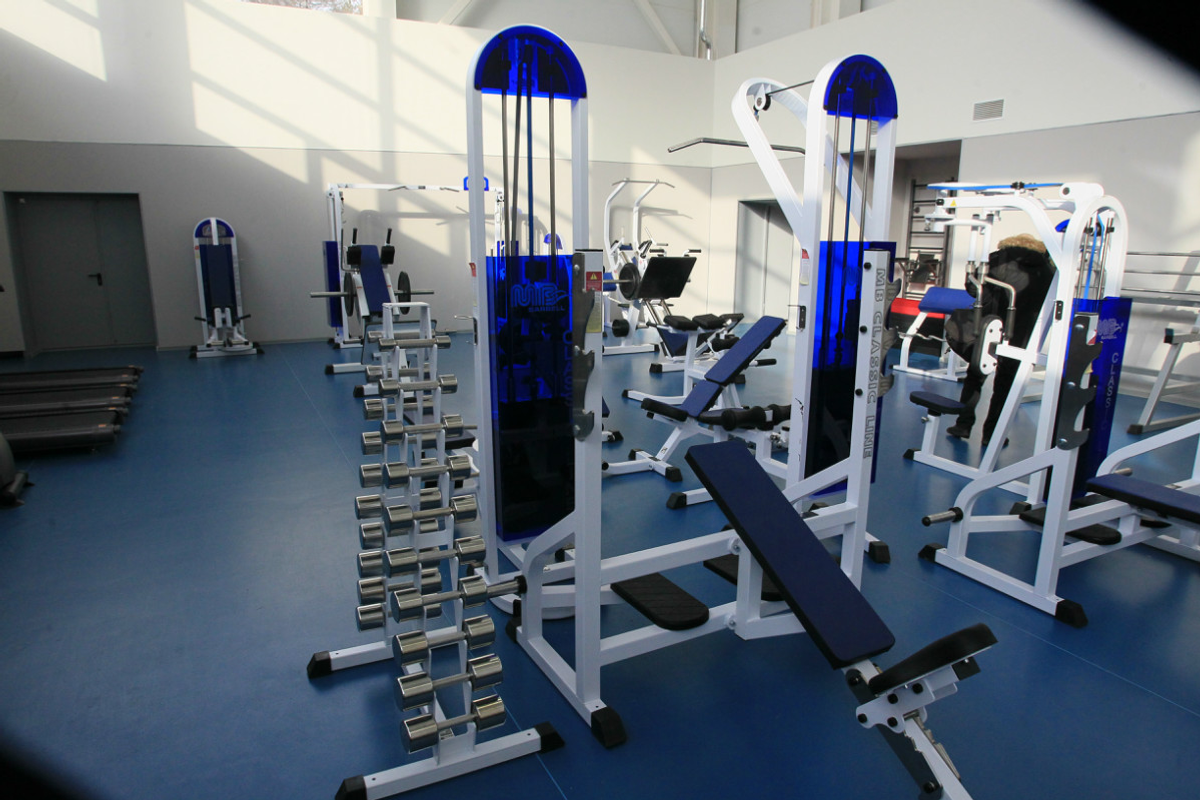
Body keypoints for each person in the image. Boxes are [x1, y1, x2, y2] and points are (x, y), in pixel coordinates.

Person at [944, 233, 1056, 446]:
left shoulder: (998, 260)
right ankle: (992, 434)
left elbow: (975, 290)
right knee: (1005, 384)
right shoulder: (1048, 270)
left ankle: (963, 424)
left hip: (990, 327)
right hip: (1023, 333)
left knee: (975, 376)